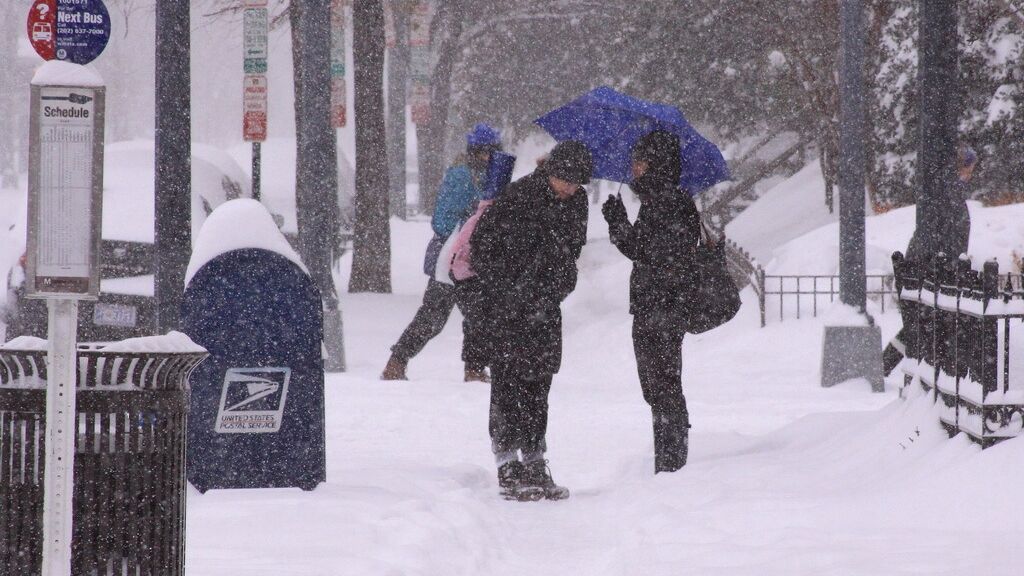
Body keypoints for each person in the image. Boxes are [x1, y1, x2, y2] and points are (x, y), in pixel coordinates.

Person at [471, 140, 593, 501]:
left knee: (539, 384)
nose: (570, 189)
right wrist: (508, 288)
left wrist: (555, 284)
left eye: (576, 183)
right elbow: (482, 247)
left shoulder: (577, 202)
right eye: (564, 181)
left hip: (545, 306)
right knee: (508, 382)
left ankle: (536, 459)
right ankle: (507, 463)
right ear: (550, 172)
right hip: (508, 307)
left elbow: (572, 252)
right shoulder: (518, 195)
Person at [601, 130, 701, 474]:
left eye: (640, 162)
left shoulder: (669, 202)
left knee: (662, 385)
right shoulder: (660, 200)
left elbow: (648, 253)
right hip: (655, 304)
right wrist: (622, 225)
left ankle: (672, 461)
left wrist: (618, 224)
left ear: (656, 164)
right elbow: (646, 251)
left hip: (664, 305)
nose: (634, 169)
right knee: (658, 385)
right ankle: (669, 456)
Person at [381, 123, 501, 382]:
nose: (487, 158)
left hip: (473, 258)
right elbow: (443, 221)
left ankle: (474, 368)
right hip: (451, 259)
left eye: (492, 152)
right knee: (434, 316)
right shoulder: (461, 176)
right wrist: (475, 216)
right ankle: (397, 361)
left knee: (476, 317)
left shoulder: (489, 179)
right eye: (483, 152)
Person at [883, 144, 979, 375]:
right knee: (924, 324)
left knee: (918, 324)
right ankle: (895, 367)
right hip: (935, 268)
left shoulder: (942, 194)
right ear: (961, 167)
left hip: (925, 265)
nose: (971, 174)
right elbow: (950, 235)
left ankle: (888, 365)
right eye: (969, 168)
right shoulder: (951, 196)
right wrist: (952, 265)